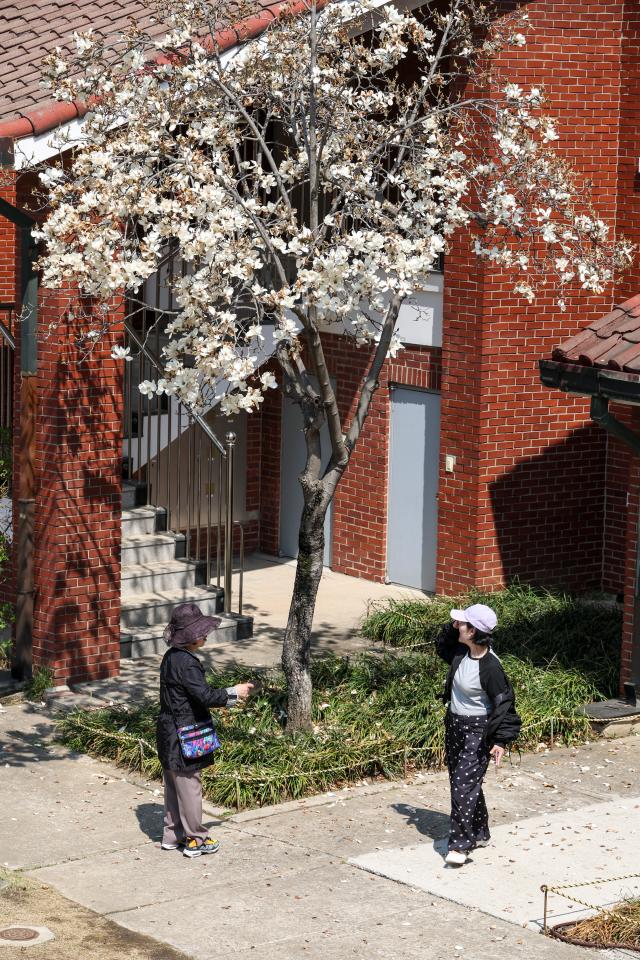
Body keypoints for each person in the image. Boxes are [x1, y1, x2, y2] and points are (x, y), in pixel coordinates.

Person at [156, 601, 254, 858]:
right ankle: (196, 838)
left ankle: (172, 834)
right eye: (201, 631)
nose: (205, 635)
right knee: (190, 786)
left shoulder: (170, 658)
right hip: (185, 732)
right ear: (192, 636)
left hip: (167, 731)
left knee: (173, 786)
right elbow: (205, 696)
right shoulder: (187, 663)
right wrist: (234, 693)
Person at [436, 603, 521, 867]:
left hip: (478, 731)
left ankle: (460, 845)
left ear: (472, 631)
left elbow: (506, 705)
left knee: (463, 785)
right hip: (454, 725)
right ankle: (481, 831)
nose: (457, 625)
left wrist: (500, 741)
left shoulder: (491, 668)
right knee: (464, 783)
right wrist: (453, 629)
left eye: (462, 623)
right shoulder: (461, 653)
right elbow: (441, 646)